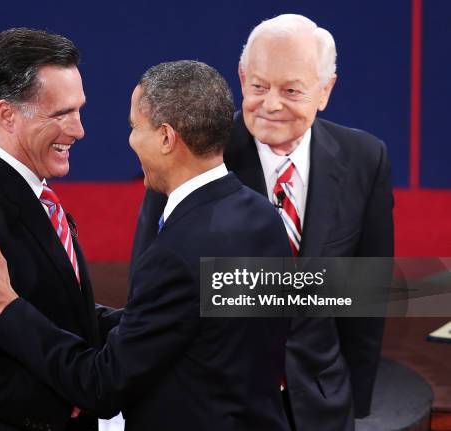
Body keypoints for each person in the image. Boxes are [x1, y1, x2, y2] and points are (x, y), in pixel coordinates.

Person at [0, 60, 293, 430]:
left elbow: (100, 387)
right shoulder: (262, 216)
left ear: (167, 138)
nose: (130, 140)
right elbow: (194, 322)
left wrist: (5, 305)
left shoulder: (177, 252)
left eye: (135, 127)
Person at [131, 14, 394, 431]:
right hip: (216, 406)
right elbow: (150, 292)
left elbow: (366, 296)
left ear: (325, 90)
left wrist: (357, 403)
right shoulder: (189, 157)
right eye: (258, 86)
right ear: (241, 76)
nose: (270, 104)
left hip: (322, 406)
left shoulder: (365, 158)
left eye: (291, 90)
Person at [0, 28, 120, 431]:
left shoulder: (29, 189)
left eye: (79, 110)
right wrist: (73, 402)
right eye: (62, 114)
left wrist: (153, 324)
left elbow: (53, 306)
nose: (79, 129)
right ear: (7, 114)